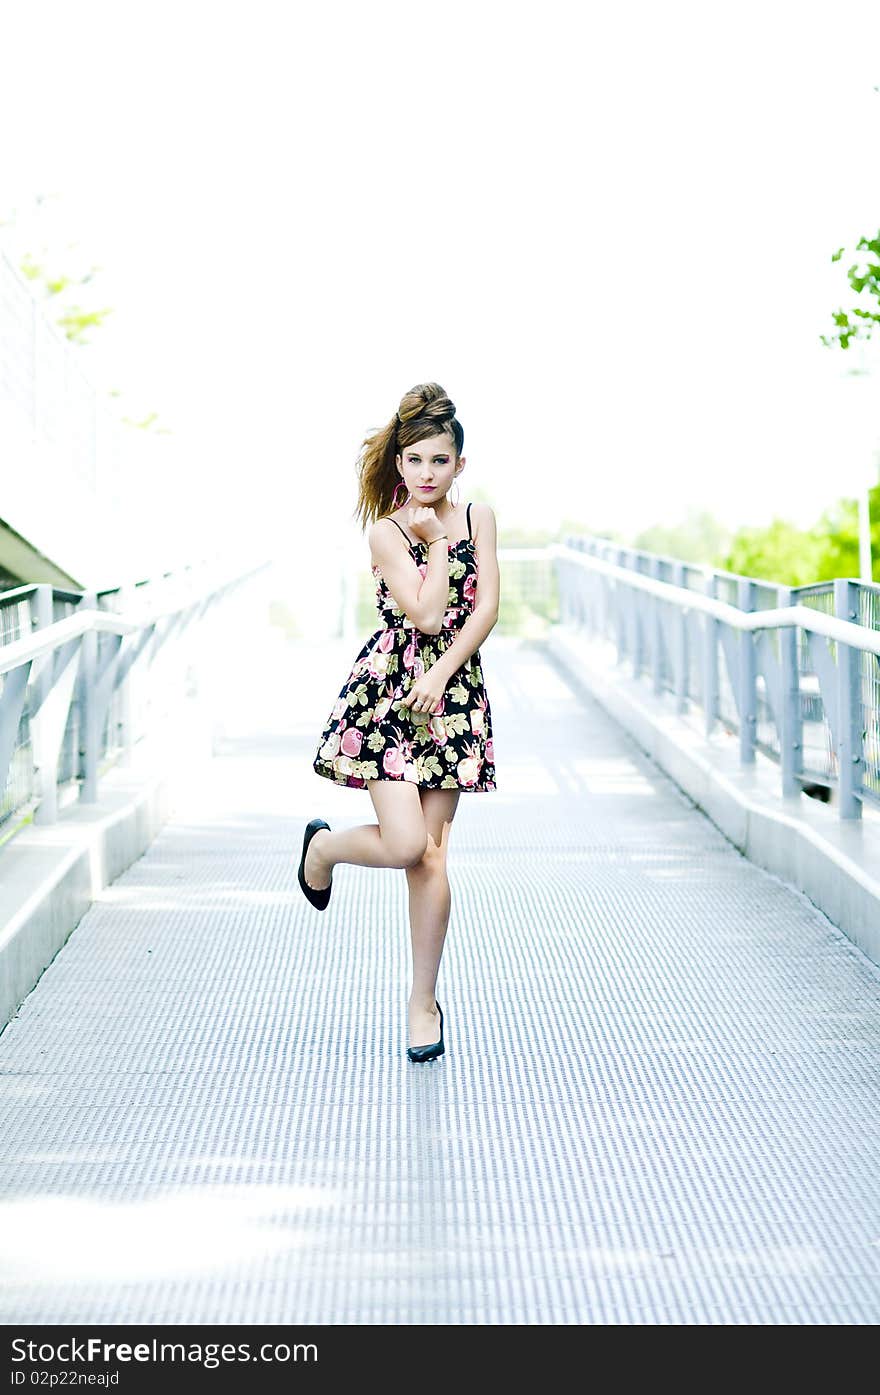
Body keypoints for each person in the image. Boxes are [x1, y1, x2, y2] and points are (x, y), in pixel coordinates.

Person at [297, 382, 499, 1063]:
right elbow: (425, 614)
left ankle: (423, 1002)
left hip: (451, 697)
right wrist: (437, 544)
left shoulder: (480, 516)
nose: (426, 474)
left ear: (459, 465)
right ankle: (323, 850)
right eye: (414, 460)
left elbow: (484, 609)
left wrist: (445, 675)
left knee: (434, 857)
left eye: (439, 461)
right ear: (399, 463)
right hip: (389, 697)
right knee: (407, 841)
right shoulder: (387, 530)